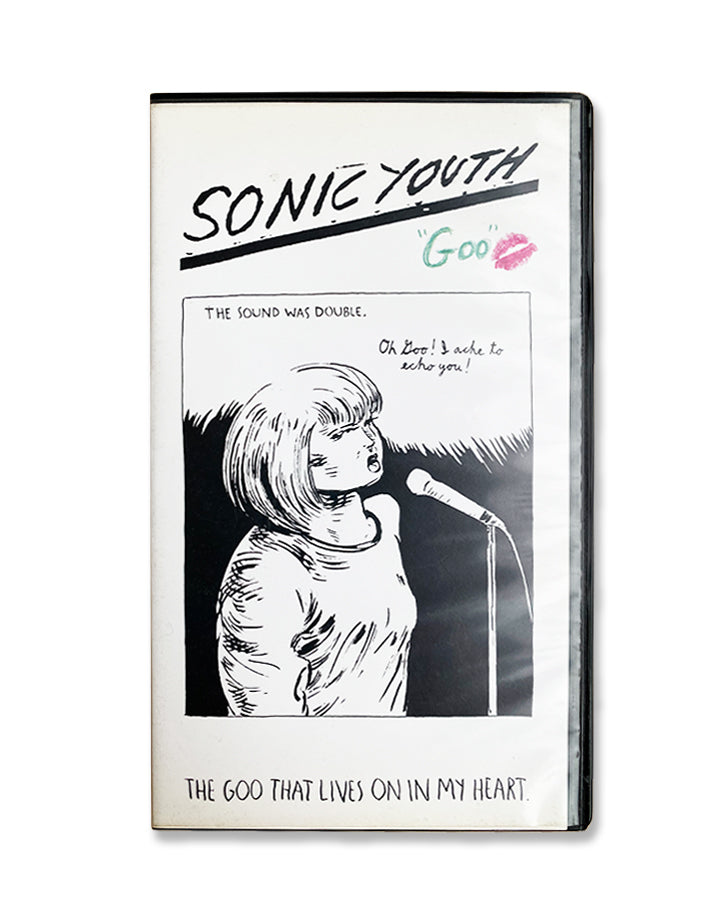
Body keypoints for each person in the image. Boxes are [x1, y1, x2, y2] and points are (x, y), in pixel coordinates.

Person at [217, 362, 417, 716]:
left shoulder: (385, 517)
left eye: (368, 422)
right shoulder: (267, 568)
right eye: (341, 433)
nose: (368, 439)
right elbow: (261, 713)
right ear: (288, 458)